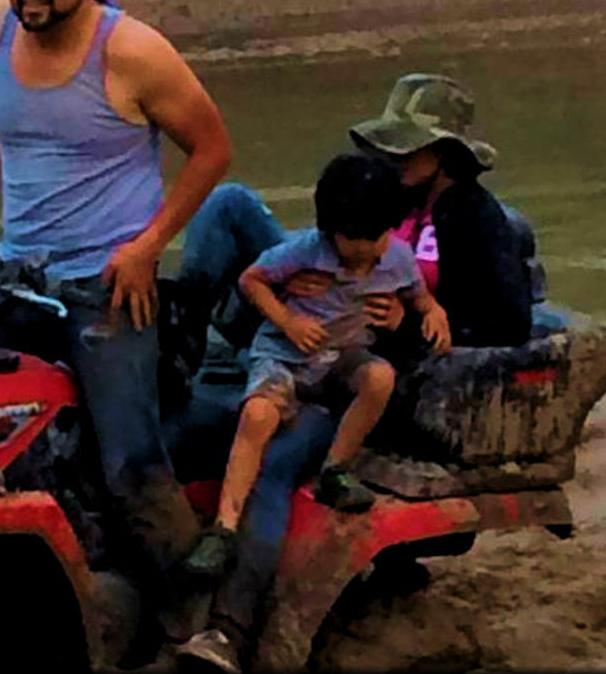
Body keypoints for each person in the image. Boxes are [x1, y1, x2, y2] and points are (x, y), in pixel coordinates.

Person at [0, 0, 231, 660]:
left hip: (110, 285)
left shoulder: (131, 51)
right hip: (16, 272)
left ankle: (201, 623)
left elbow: (212, 148)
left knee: (129, 462)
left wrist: (148, 246)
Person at [175, 73, 538, 673]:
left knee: (275, 464)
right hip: (326, 319)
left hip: (371, 365)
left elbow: (507, 324)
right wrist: (295, 290)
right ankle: (190, 327)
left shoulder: (472, 217)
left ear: (443, 154)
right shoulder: (383, 200)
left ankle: (228, 631)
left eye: (406, 149)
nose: (391, 159)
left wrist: (403, 322)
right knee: (230, 201)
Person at [181, 152, 450, 581]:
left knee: (379, 377)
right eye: (351, 241)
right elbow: (252, 279)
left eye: (373, 239)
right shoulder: (304, 251)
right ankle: (224, 527)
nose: (363, 253)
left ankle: (335, 469)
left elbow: (418, 292)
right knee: (257, 415)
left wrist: (432, 311)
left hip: (343, 355)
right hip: (287, 355)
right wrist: (288, 319)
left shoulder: (396, 257)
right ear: (329, 230)